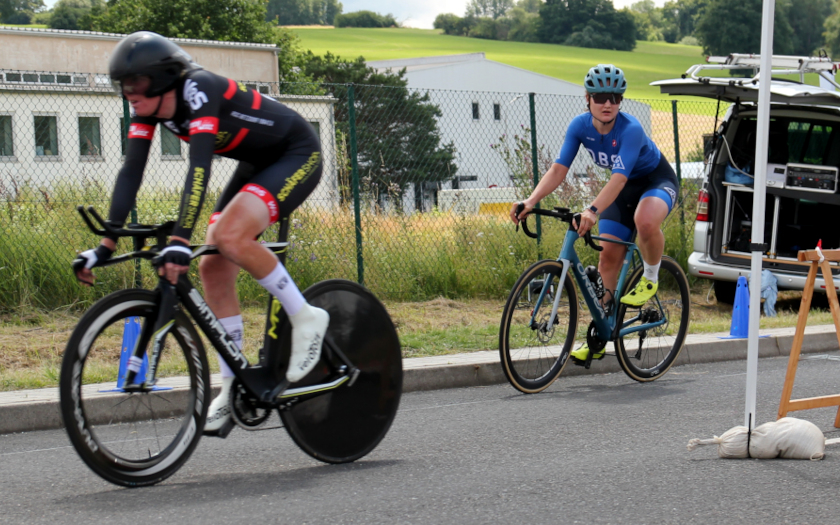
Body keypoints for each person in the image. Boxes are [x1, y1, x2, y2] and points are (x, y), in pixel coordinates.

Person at [74, 31, 329, 437]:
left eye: (136, 83)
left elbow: (199, 167)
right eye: (122, 85)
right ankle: (233, 382)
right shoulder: (147, 109)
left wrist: (179, 240)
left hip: (295, 153)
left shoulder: (199, 89)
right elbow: (131, 170)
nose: (129, 94)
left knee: (229, 236)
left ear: (163, 78)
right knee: (212, 266)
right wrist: (105, 245)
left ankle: (306, 316)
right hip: (256, 161)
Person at [510, 64, 679, 364]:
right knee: (607, 258)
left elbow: (618, 178)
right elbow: (559, 169)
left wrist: (591, 210)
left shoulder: (630, 129)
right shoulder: (580, 126)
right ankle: (600, 335)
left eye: (615, 98)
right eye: (600, 97)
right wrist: (531, 200)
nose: (608, 104)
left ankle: (650, 277)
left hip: (655, 181)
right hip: (622, 190)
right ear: (587, 99)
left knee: (644, 220)